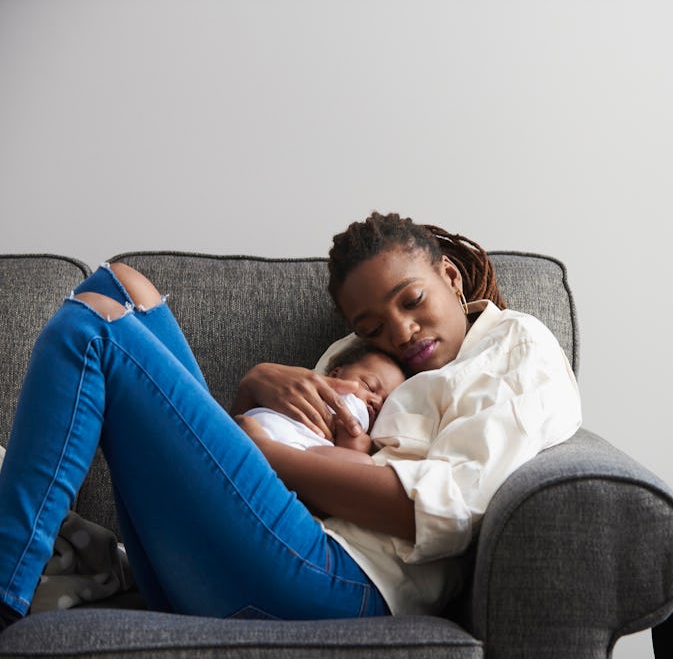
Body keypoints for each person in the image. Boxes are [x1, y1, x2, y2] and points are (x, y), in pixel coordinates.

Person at [0, 212, 581, 631]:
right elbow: (263, 472)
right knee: (121, 285)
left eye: (411, 301)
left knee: (92, 328)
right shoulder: (359, 358)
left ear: (450, 279)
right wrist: (254, 385)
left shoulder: (511, 346)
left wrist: (269, 451)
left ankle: (4, 586)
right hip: (278, 551)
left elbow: (441, 511)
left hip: (343, 580)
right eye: (372, 326)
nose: (400, 332)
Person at [239, 343, 405, 463]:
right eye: (369, 386)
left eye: (385, 402)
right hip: (271, 433)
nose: (376, 401)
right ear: (335, 374)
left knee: (360, 463)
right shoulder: (334, 395)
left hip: (286, 450)